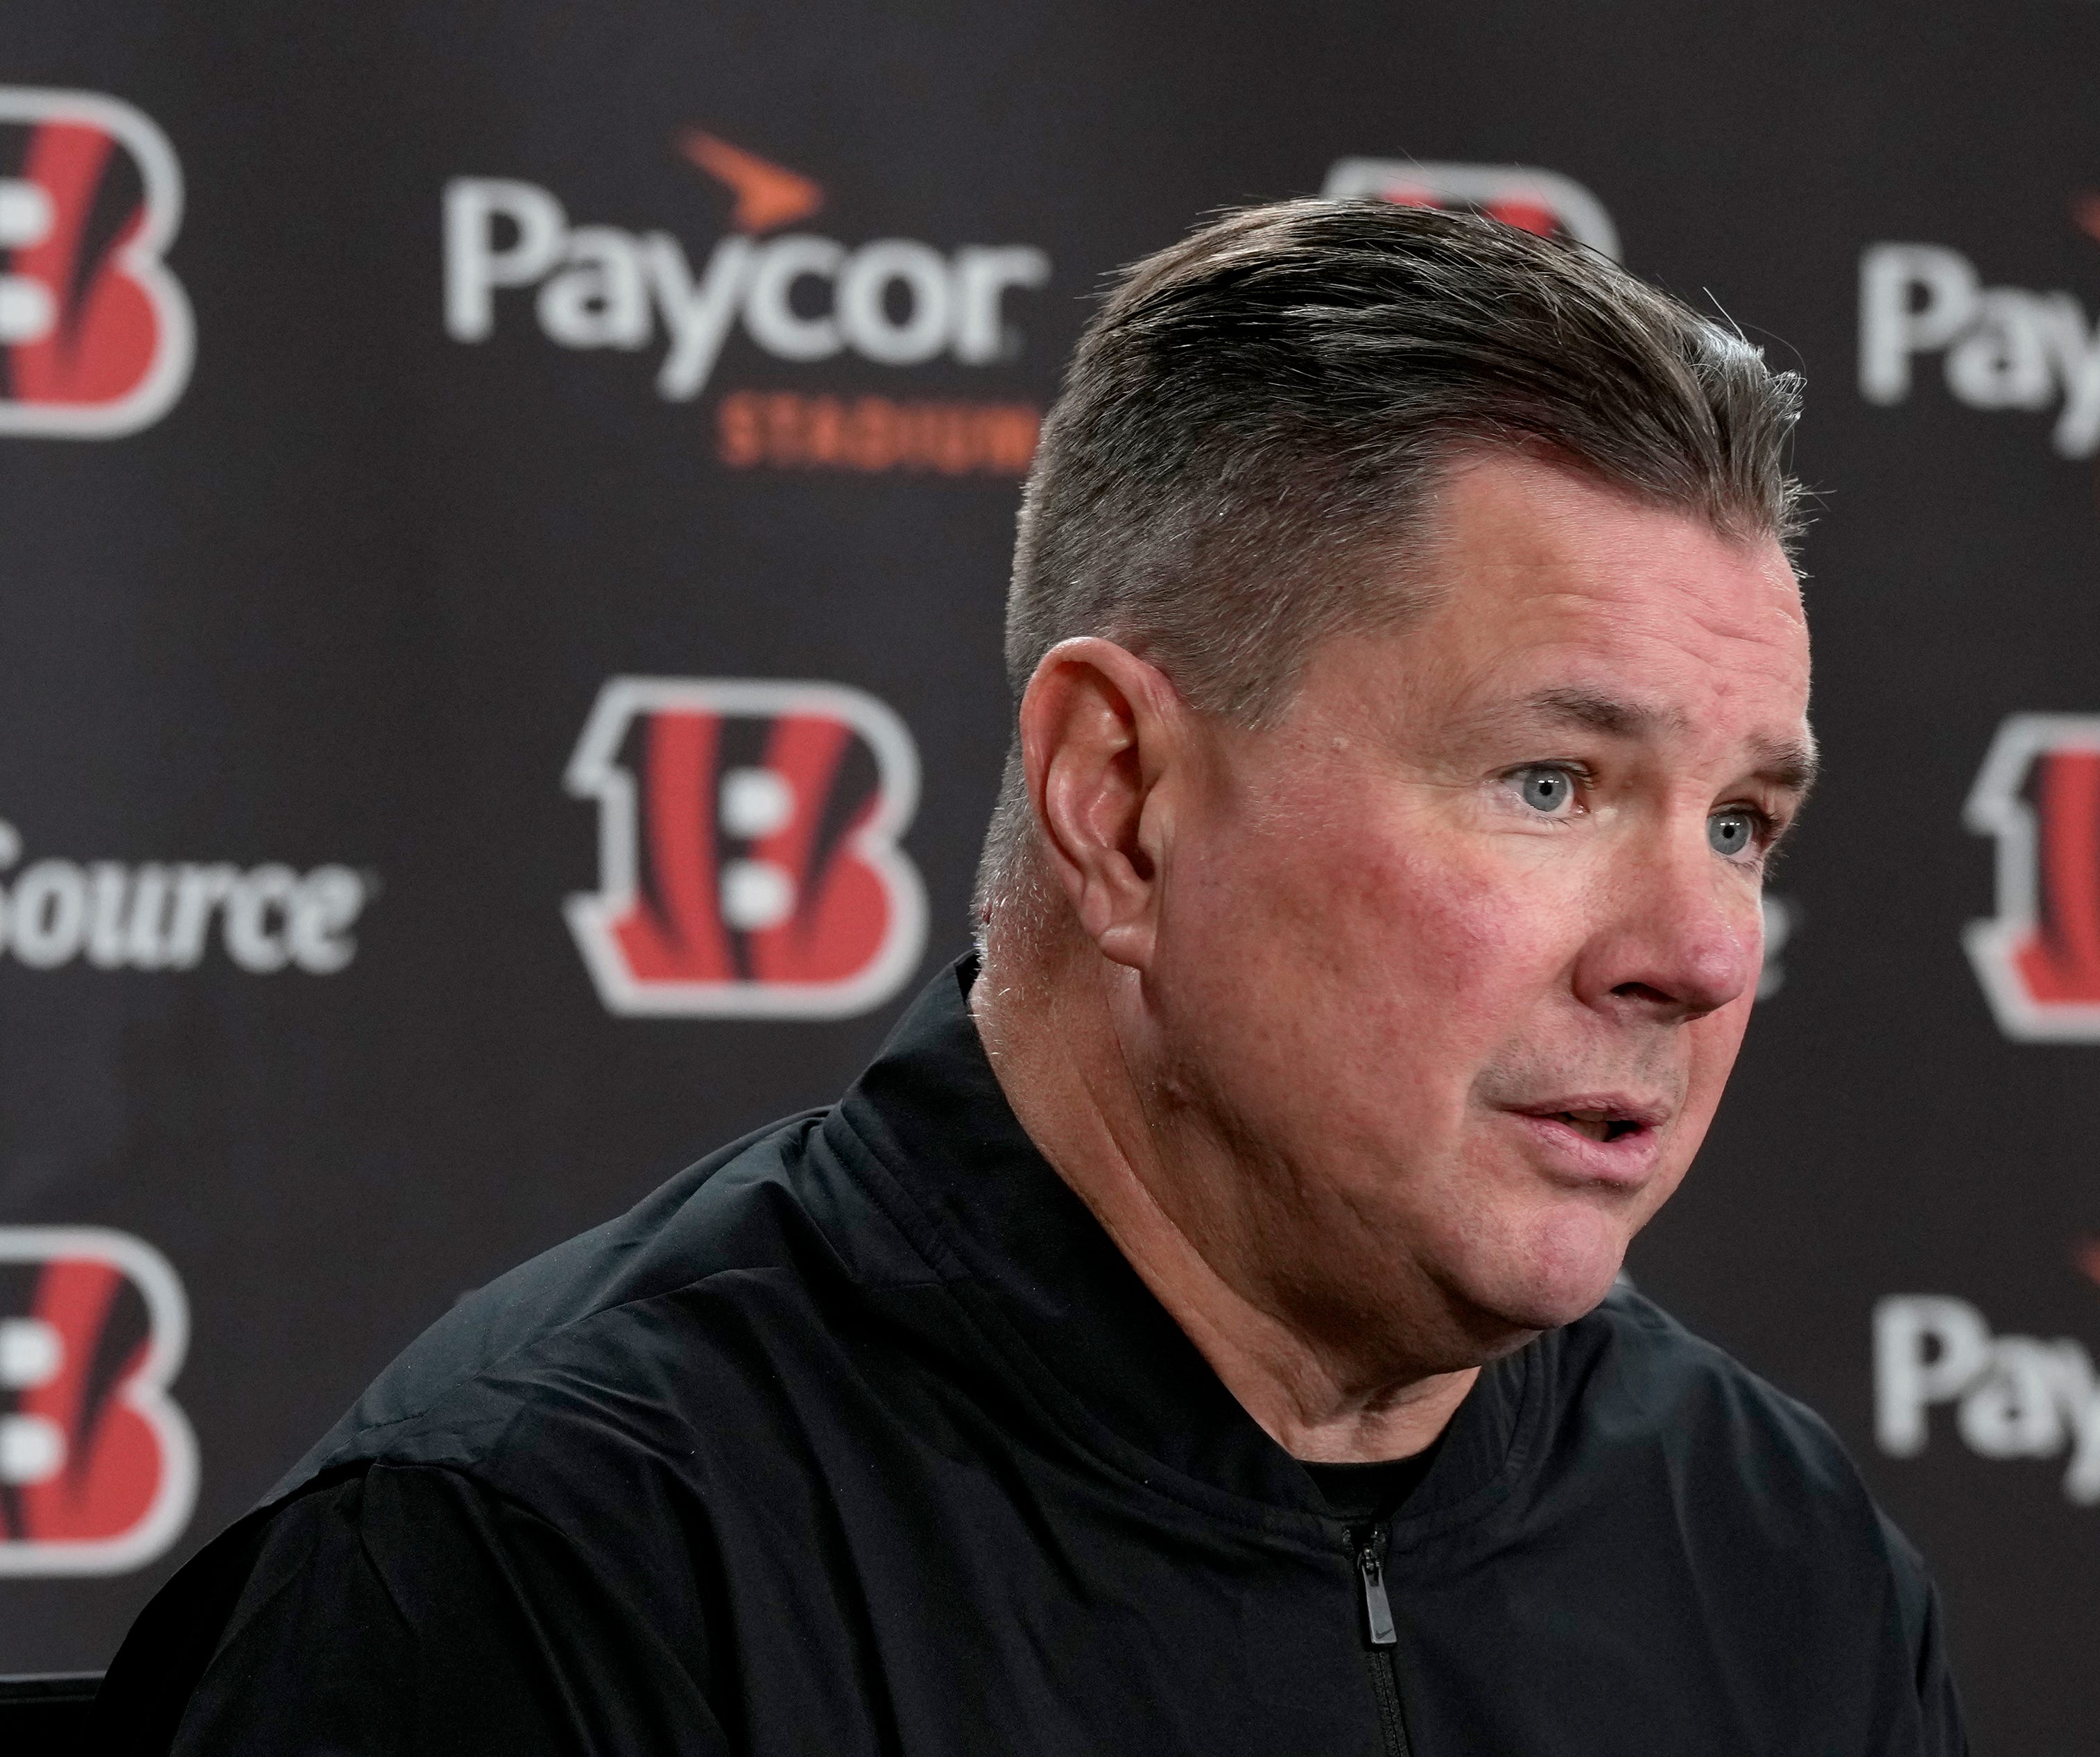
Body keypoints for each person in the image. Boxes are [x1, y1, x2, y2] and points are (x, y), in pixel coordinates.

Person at [98, 198, 1965, 1754]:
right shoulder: (542, 1560)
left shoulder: (1775, 1558)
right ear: (1122, 801)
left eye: (1741, 825)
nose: (1704, 953)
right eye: (1550, 782)